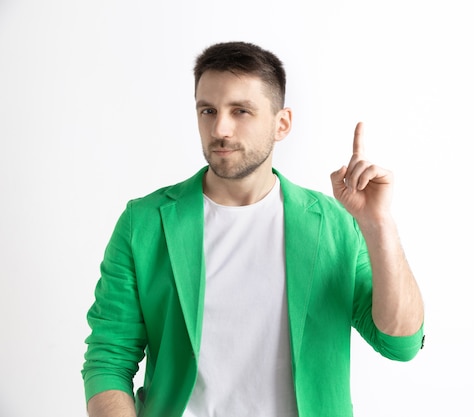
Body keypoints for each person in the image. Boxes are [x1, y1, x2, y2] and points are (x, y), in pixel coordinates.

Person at [82, 41, 425, 417]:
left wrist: (379, 225)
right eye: (207, 110)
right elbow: (109, 359)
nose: (220, 129)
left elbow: (400, 343)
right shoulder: (144, 222)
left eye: (240, 111)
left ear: (282, 124)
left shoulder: (334, 224)